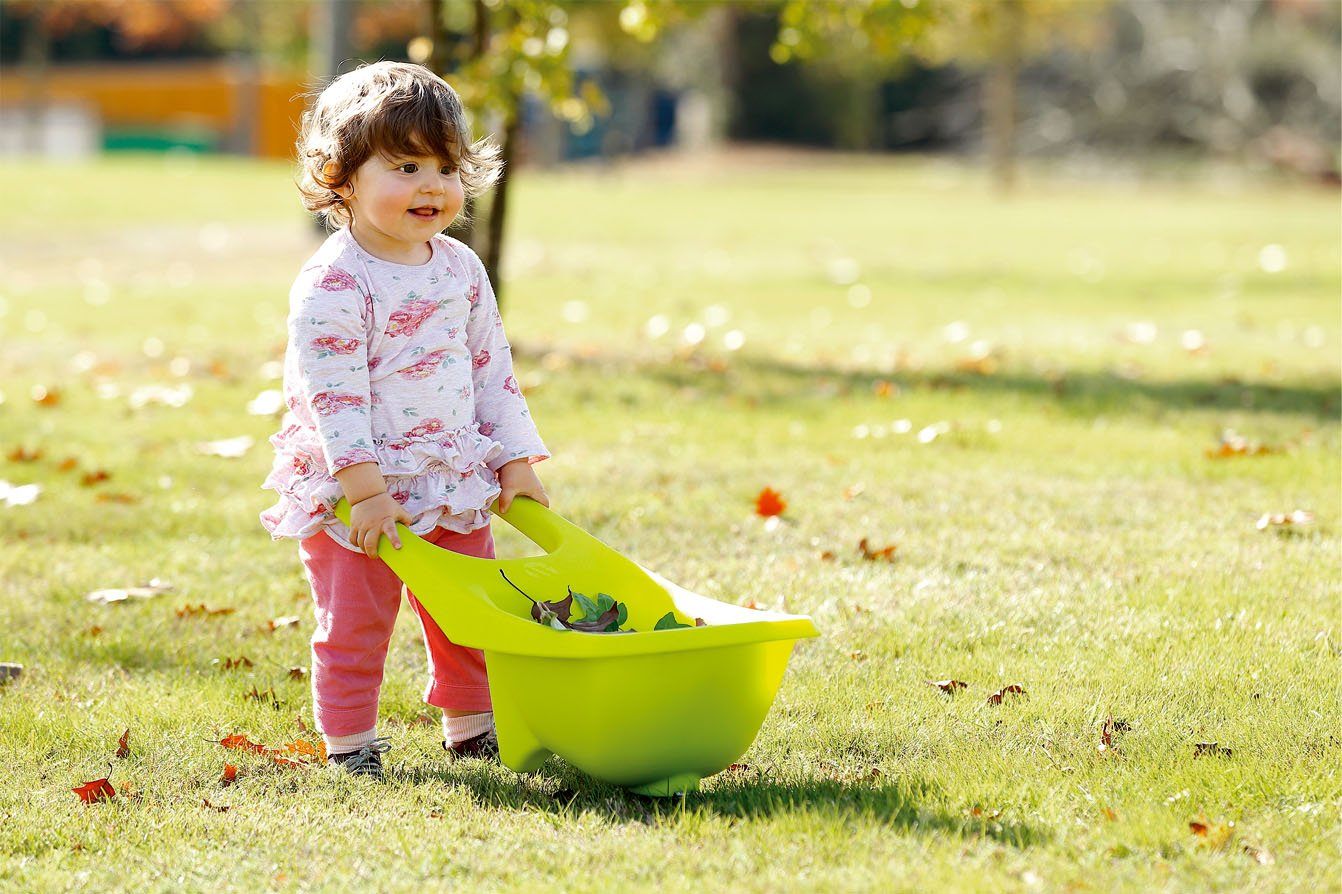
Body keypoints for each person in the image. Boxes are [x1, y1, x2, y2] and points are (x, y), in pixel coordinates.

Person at [259, 61, 550, 779]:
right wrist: (365, 492)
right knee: (356, 624)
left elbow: (489, 369)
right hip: (360, 493)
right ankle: (351, 743)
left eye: (446, 168)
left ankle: (472, 726)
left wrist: (514, 460)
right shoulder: (335, 281)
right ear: (342, 177)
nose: (432, 186)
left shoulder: (460, 269)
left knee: (471, 612)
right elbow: (335, 399)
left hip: (450, 478)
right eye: (406, 166)